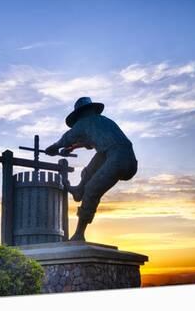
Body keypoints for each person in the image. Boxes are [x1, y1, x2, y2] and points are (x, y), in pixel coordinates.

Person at [45, 97, 138, 241]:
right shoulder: (104, 121)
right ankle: (78, 190)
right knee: (90, 169)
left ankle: (79, 234)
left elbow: (68, 137)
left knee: (91, 191)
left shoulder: (83, 122)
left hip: (117, 159)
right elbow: (88, 141)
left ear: (79, 114)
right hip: (127, 158)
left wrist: (54, 147)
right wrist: (70, 149)